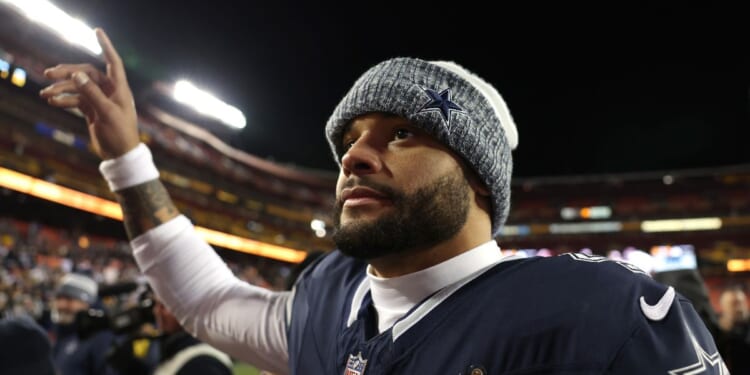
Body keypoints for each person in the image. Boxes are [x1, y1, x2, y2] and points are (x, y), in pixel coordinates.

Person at [40, 28, 728, 374]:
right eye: (351, 139)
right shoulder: (331, 297)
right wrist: (126, 155)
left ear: (481, 179)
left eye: (404, 134)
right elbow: (206, 299)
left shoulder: (597, 317)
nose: (355, 156)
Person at [49, 272, 118, 375]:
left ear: (87, 303)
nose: (61, 305)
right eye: (59, 298)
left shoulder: (101, 338)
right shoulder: (64, 335)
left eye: (69, 299)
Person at [151, 293, 233, 374]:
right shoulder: (175, 348)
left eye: (164, 306)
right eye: (156, 305)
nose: (157, 311)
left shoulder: (204, 362)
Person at [715, 286, 750, 373]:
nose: (739, 308)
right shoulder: (715, 330)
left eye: (742, 303)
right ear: (722, 306)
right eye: (734, 304)